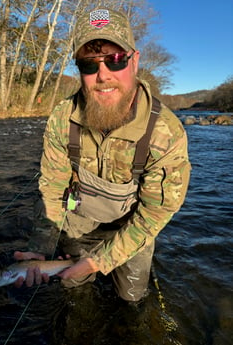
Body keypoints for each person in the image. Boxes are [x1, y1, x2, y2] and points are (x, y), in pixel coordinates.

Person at [14, 8, 191, 302]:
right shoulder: (62, 118)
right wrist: (40, 248)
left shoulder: (166, 132)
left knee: (132, 299)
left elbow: (154, 214)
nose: (103, 75)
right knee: (73, 294)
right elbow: (53, 188)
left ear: (134, 61)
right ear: (78, 68)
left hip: (131, 226)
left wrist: (100, 261)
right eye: (88, 64)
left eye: (115, 59)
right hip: (78, 222)